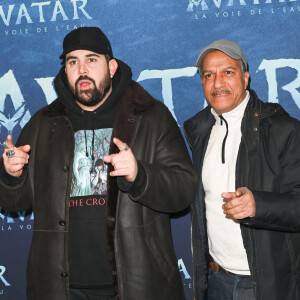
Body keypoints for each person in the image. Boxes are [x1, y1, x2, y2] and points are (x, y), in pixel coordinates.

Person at [0, 27, 197, 300]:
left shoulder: (151, 117)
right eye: (72, 62)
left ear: (111, 66)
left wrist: (140, 175)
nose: (82, 69)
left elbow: (184, 191)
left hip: (137, 286)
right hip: (63, 290)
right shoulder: (44, 124)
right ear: (65, 70)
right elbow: (14, 203)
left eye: (91, 59)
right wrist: (12, 175)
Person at [183, 39, 300, 300]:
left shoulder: (284, 130)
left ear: (245, 78)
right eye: (208, 75)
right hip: (216, 282)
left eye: (228, 72)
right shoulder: (200, 132)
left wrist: (259, 205)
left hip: (265, 285)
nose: (217, 83)